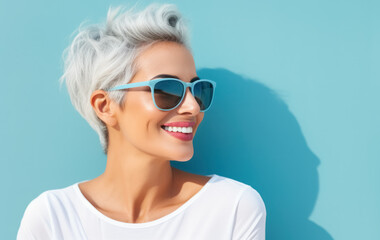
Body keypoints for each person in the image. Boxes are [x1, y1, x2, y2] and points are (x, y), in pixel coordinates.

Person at [17, 3, 266, 240]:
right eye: (167, 90)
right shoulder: (52, 218)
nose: (193, 107)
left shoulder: (232, 208)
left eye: (198, 90)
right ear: (105, 106)